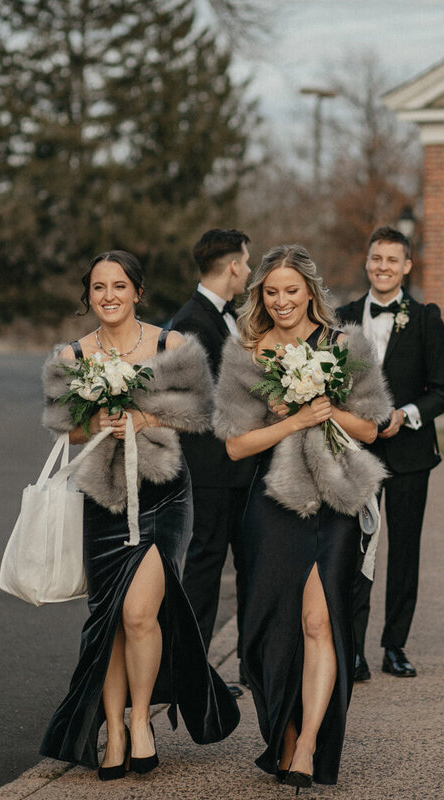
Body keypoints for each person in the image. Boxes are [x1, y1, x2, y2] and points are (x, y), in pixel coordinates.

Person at [38, 251, 240, 780]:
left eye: (119, 286)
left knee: (139, 614)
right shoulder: (73, 354)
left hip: (164, 495)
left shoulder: (171, 345)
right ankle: (114, 730)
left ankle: (142, 720)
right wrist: (95, 419)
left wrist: (143, 415)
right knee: (108, 622)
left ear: (137, 292)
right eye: (99, 287)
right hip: (103, 500)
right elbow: (63, 426)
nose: (109, 295)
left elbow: (201, 411)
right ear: (89, 295)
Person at [212, 244, 391, 789]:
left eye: (292, 290)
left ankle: (309, 743)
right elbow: (236, 446)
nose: (283, 301)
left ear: (311, 291)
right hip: (272, 506)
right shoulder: (246, 351)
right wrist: (290, 421)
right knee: (269, 631)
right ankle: (282, 736)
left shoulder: (345, 344)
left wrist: (325, 408)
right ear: (259, 296)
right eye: (272, 292)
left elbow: (372, 428)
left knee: (320, 623)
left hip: (334, 502)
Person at [336, 226, 444, 681]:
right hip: (355, 455)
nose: (382, 266)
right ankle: (354, 650)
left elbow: (443, 391)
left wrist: (406, 413)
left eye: (392, 260)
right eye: (376, 258)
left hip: (410, 457)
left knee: (404, 551)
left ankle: (395, 646)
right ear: (367, 263)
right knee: (353, 550)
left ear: (407, 266)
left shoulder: (425, 318)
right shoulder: (342, 318)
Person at [168, 230, 256, 697]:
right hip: (213, 469)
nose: (248, 267)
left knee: (249, 564)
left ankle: (252, 660)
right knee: (204, 566)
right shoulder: (192, 323)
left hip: (238, 469)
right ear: (233, 267)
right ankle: (193, 672)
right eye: (246, 260)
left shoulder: (227, 318)